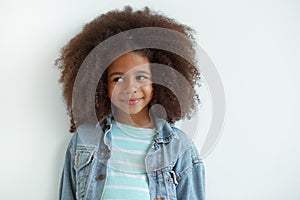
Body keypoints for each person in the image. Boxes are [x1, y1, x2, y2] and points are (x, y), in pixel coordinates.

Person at [56, 6, 205, 200]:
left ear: (159, 80)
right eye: (118, 79)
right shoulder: (84, 141)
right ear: (101, 84)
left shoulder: (179, 147)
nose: (130, 88)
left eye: (141, 77)